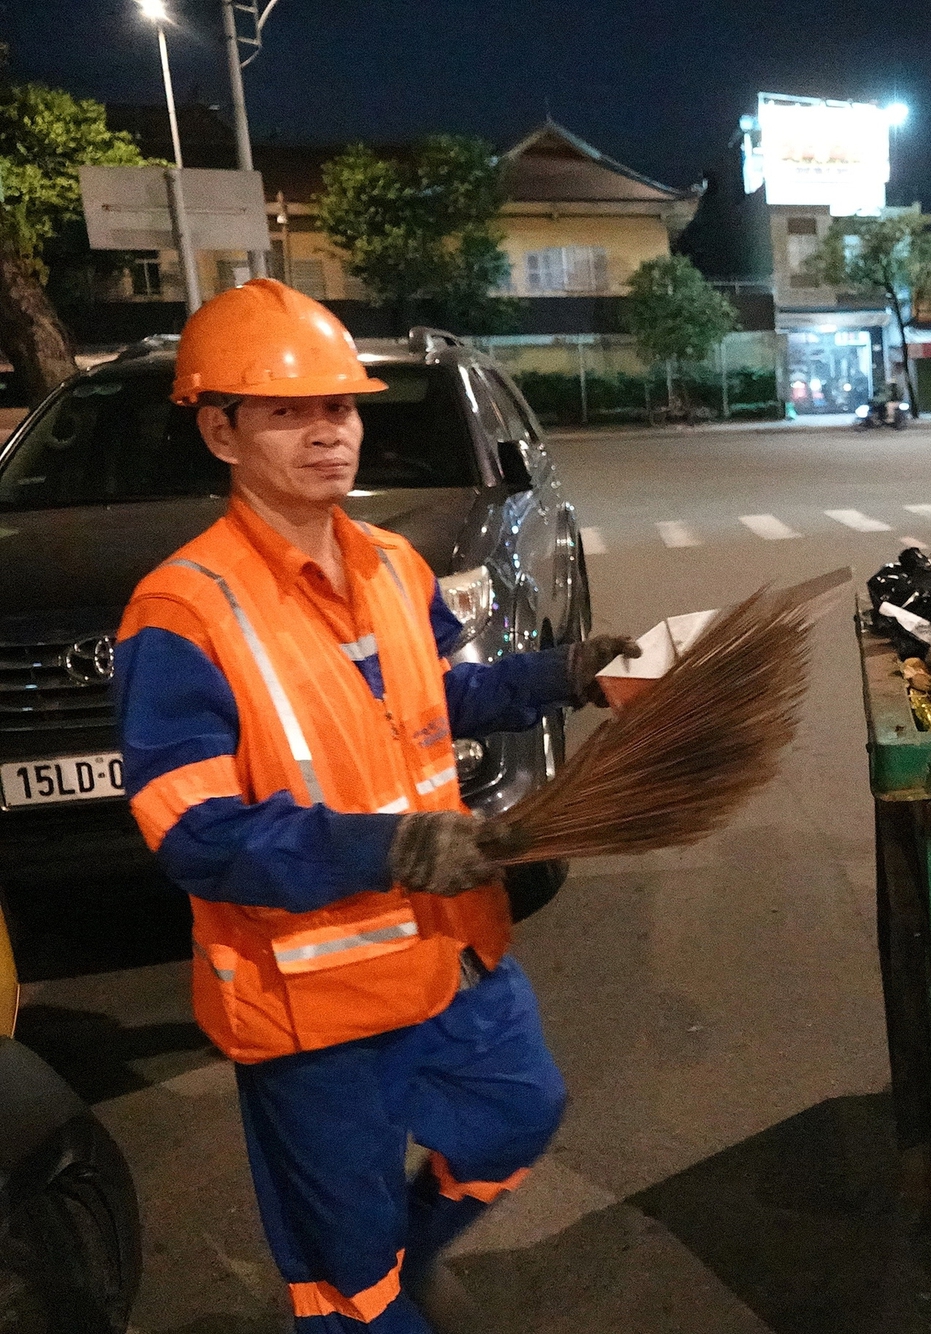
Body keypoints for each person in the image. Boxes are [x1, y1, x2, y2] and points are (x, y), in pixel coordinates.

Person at [114, 279, 638, 1331]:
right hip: (312, 1005)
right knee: (351, 1274)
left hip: (448, 954)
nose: (328, 433)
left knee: (517, 1115)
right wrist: (396, 845)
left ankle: (410, 1248)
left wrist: (565, 671)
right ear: (220, 430)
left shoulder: (395, 564)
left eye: (341, 408)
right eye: (289, 411)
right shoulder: (181, 611)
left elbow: (437, 697)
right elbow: (194, 831)